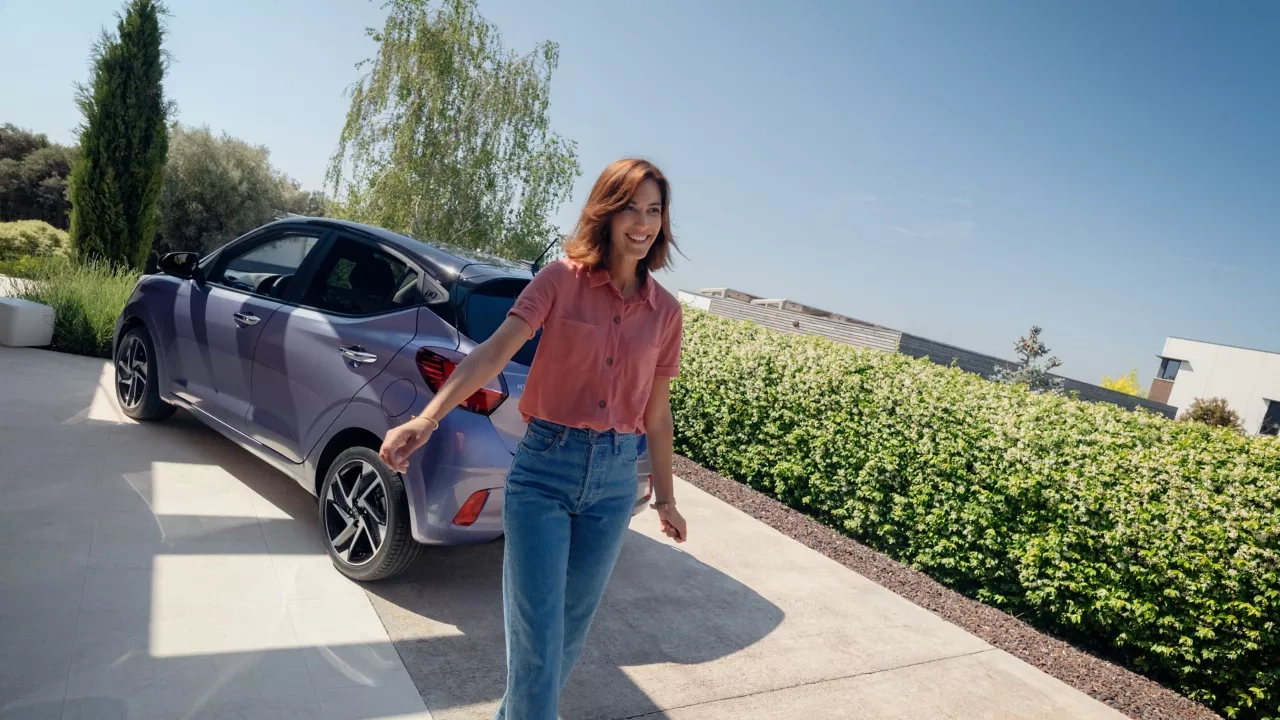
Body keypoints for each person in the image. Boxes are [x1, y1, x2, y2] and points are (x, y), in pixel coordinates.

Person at [378, 157, 687, 720]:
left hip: (616, 483)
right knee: (538, 642)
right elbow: (493, 351)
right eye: (631, 209)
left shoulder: (666, 313)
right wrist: (427, 418)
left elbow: (657, 415)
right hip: (545, 470)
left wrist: (664, 498)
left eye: (654, 211)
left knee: (566, 637)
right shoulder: (561, 279)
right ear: (607, 212)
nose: (642, 224)